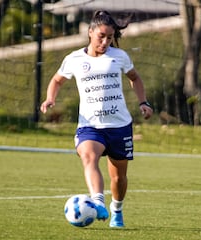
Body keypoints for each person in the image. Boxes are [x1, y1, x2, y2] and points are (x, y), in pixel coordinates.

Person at [40, 10, 153, 228]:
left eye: (110, 37)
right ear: (90, 32)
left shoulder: (119, 57)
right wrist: (50, 98)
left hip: (119, 126)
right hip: (90, 125)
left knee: (119, 178)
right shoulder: (74, 59)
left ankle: (116, 210)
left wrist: (143, 102)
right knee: (89, 157)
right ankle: (98, 202)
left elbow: (135, 78)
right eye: (101, 35)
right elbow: (56, 80)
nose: (105, 41)